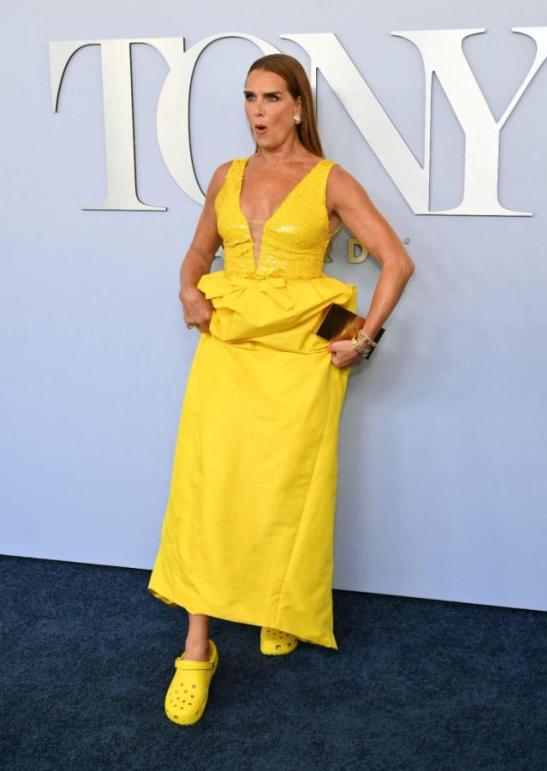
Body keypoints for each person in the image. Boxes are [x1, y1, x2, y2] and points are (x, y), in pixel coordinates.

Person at [147, 53, 415, 725]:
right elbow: (194, 255)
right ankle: (196, 647)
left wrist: (364, 336)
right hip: (229, 350)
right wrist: (187, 291)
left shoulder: (327, 179)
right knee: (210, 488)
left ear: (298, 105)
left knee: (284, 485)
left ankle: (276, 603)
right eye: (248, 98)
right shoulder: (226, 176)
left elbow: (396, 261)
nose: (257, 110)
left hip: (299, 360)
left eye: (271, 97)